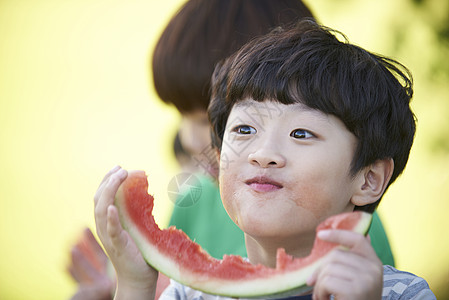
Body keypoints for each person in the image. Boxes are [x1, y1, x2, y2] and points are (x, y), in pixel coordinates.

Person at [93, 19, 436, 299]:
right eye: (244, 130)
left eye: (301, 134)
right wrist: (135, 283)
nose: (263, 154)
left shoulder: (401, 294)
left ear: (369, 179)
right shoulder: (190, 295)